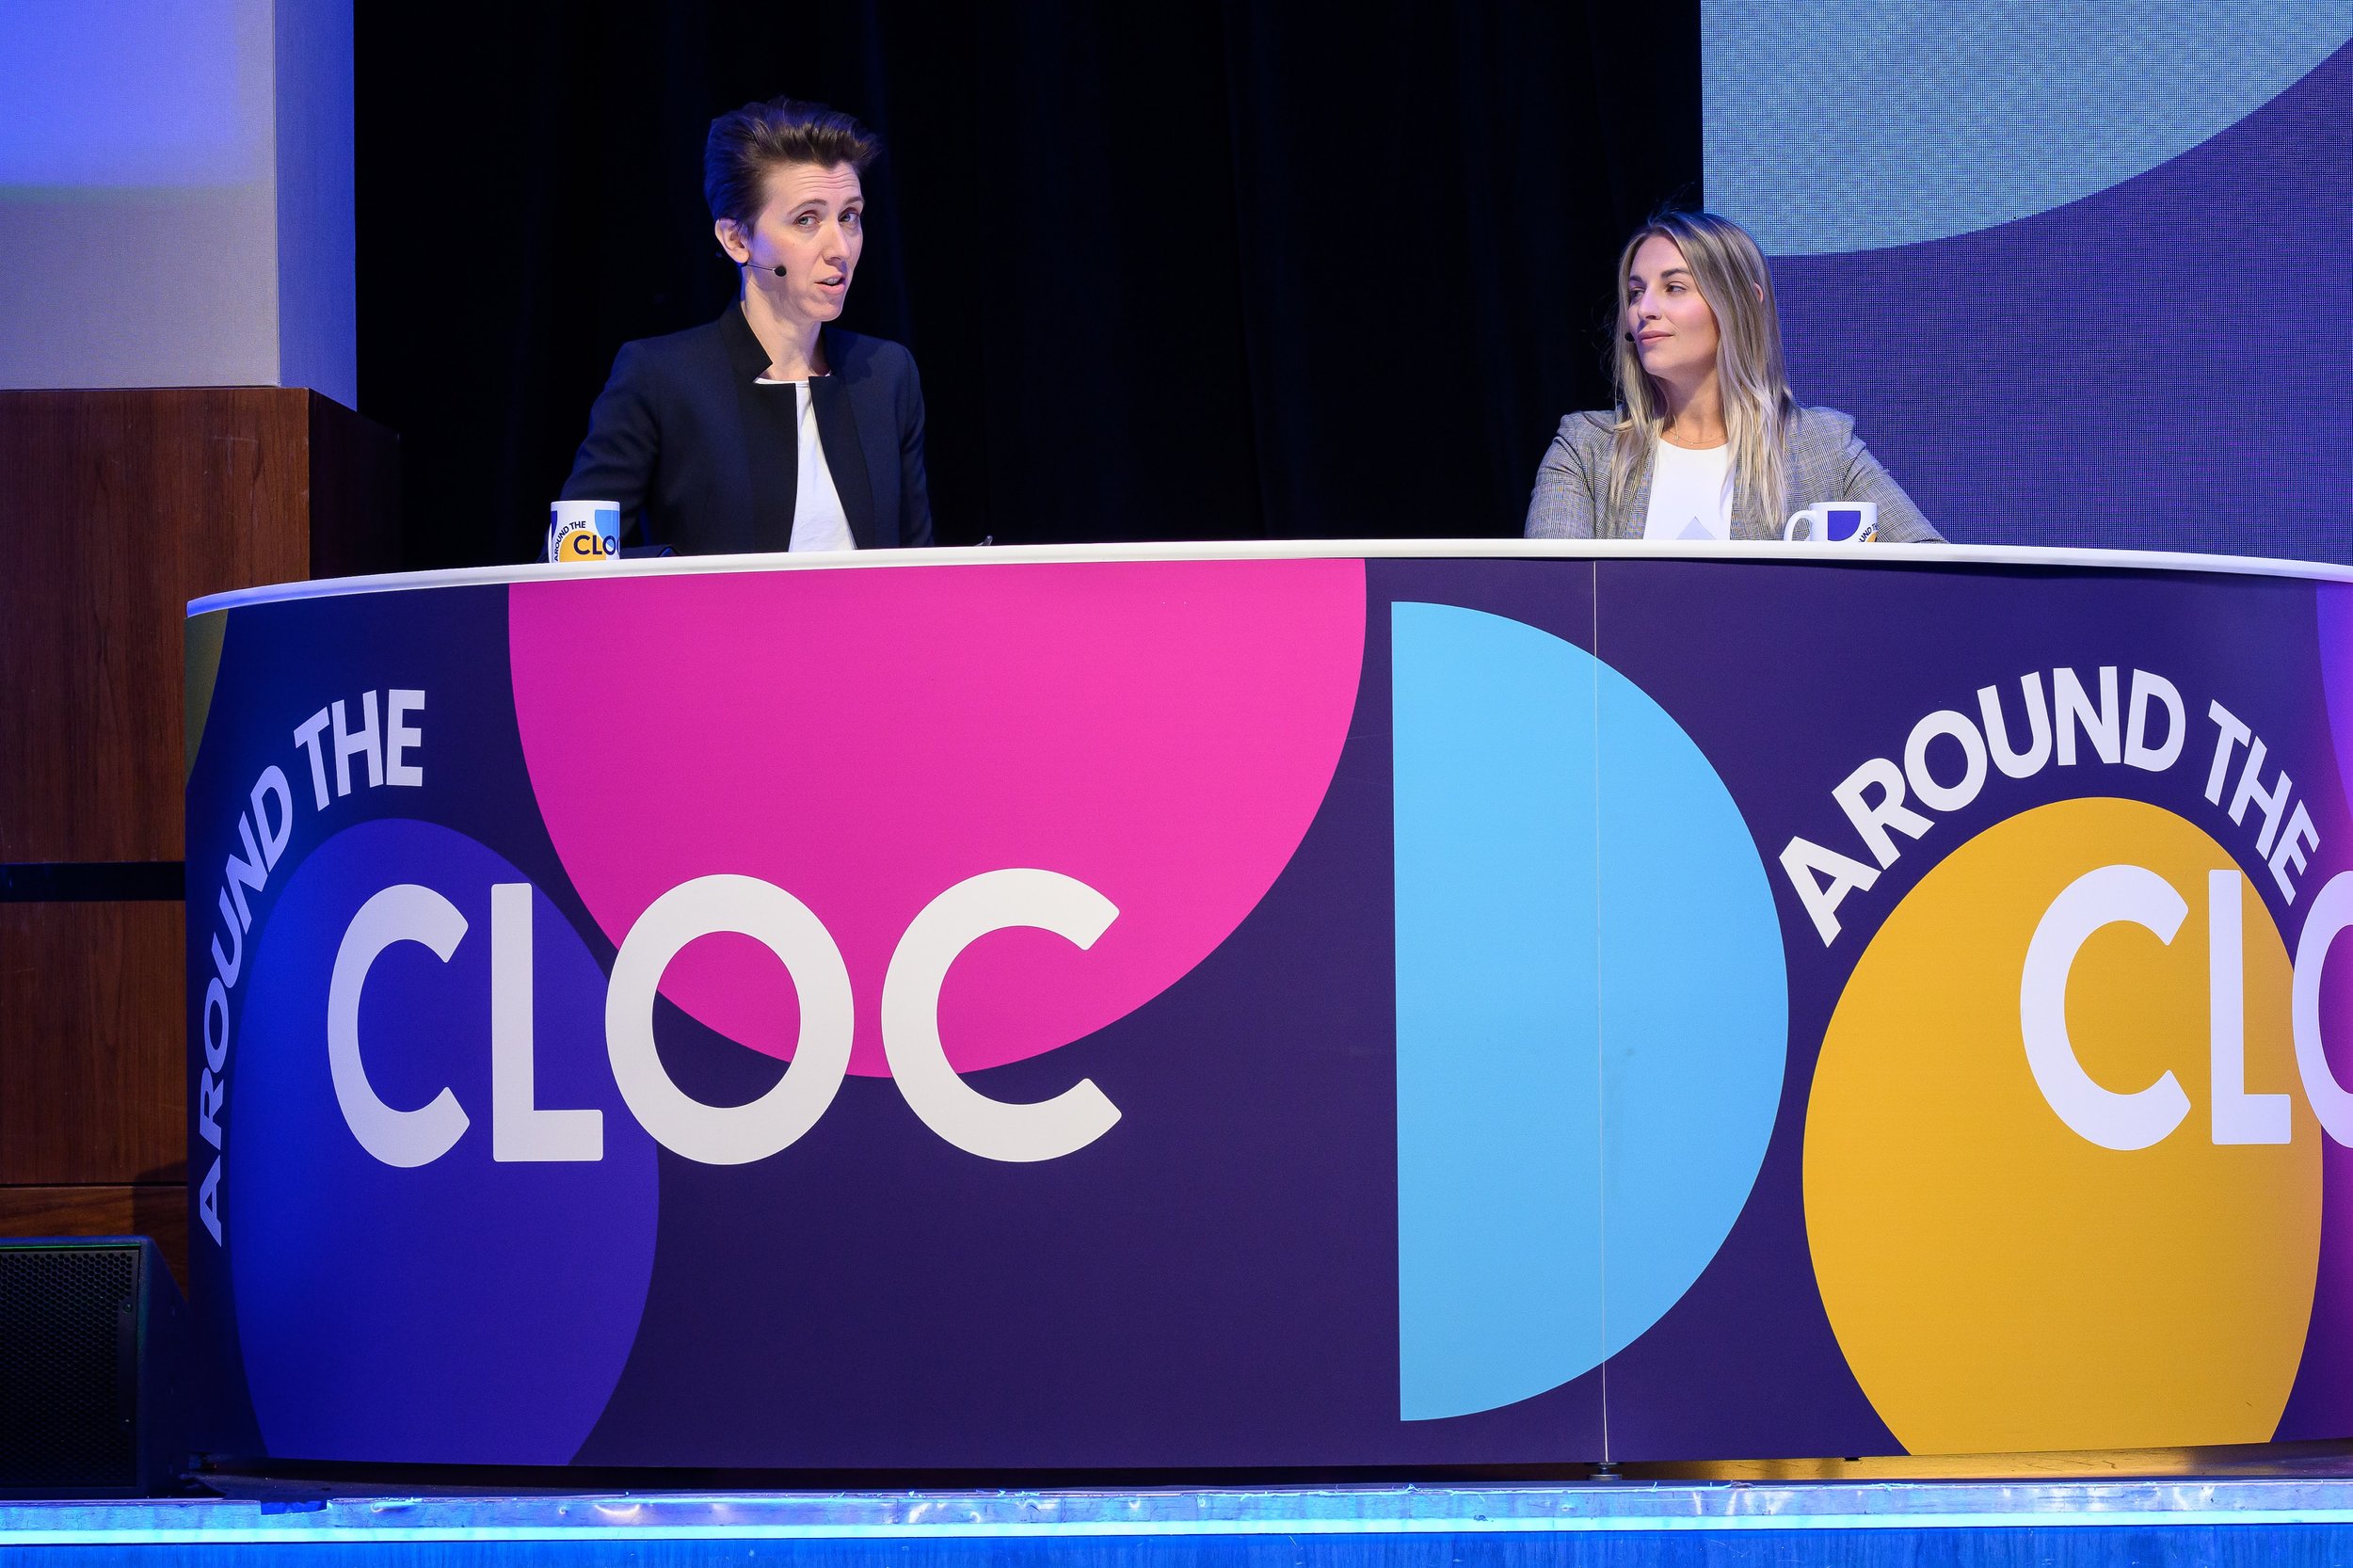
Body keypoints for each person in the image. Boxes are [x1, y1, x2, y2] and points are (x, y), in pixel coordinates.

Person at [560, 97, 933, 555]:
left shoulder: (886, 374)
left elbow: (919, 566)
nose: (840, 247)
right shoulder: (660, 377)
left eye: (849, 217)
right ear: (737, 239)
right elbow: (573, 566)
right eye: (807, 219)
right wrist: (680, 582)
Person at [1523, 211, 1941, 542]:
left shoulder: (1819, 445)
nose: (1643, 309)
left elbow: (1935, 574)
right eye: (1636, 292)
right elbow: (1548, 608)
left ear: (1744, 304)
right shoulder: (1587, 449)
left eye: (1674, 288)